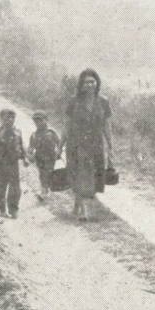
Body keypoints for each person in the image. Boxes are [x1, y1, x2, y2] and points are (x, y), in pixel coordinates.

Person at [59, 69, 113, 221]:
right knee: (81, 174)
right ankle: (84, 210)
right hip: (76, 144)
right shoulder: (73, 101)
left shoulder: (103, 102)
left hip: (95, 145)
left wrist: (111, 146)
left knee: (93, 177)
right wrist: (60, 146)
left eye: (92, 81)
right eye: (86, 82)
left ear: (97, 83)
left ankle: (78, 202)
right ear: (81, 85)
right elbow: (66, 125)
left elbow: (107, 125)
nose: (90, 85)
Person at [0, 108, 28, 218]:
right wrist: (5, 130)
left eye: (13, 118)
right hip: (0, 162)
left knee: (15, 187)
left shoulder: (17, 131)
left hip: (13, 163)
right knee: (0, 186)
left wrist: (25, 158)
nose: (10, 120)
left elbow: (21, 146)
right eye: (7, 117)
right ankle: (2, 210)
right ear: (1, 118)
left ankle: (13, 210)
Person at [27, 111, 61, 201]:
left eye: (40, 120)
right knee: (43, 174)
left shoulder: (51, 132)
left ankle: (45, 191)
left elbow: (59, 143)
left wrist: (59, 151)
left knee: (47, 173)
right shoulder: (34, 135)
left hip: (51, 157)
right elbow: (30, 147)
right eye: (36, 121)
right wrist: (29, 155)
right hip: (39, 158)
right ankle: (45, 190)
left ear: (46, 120)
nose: (38, 123)